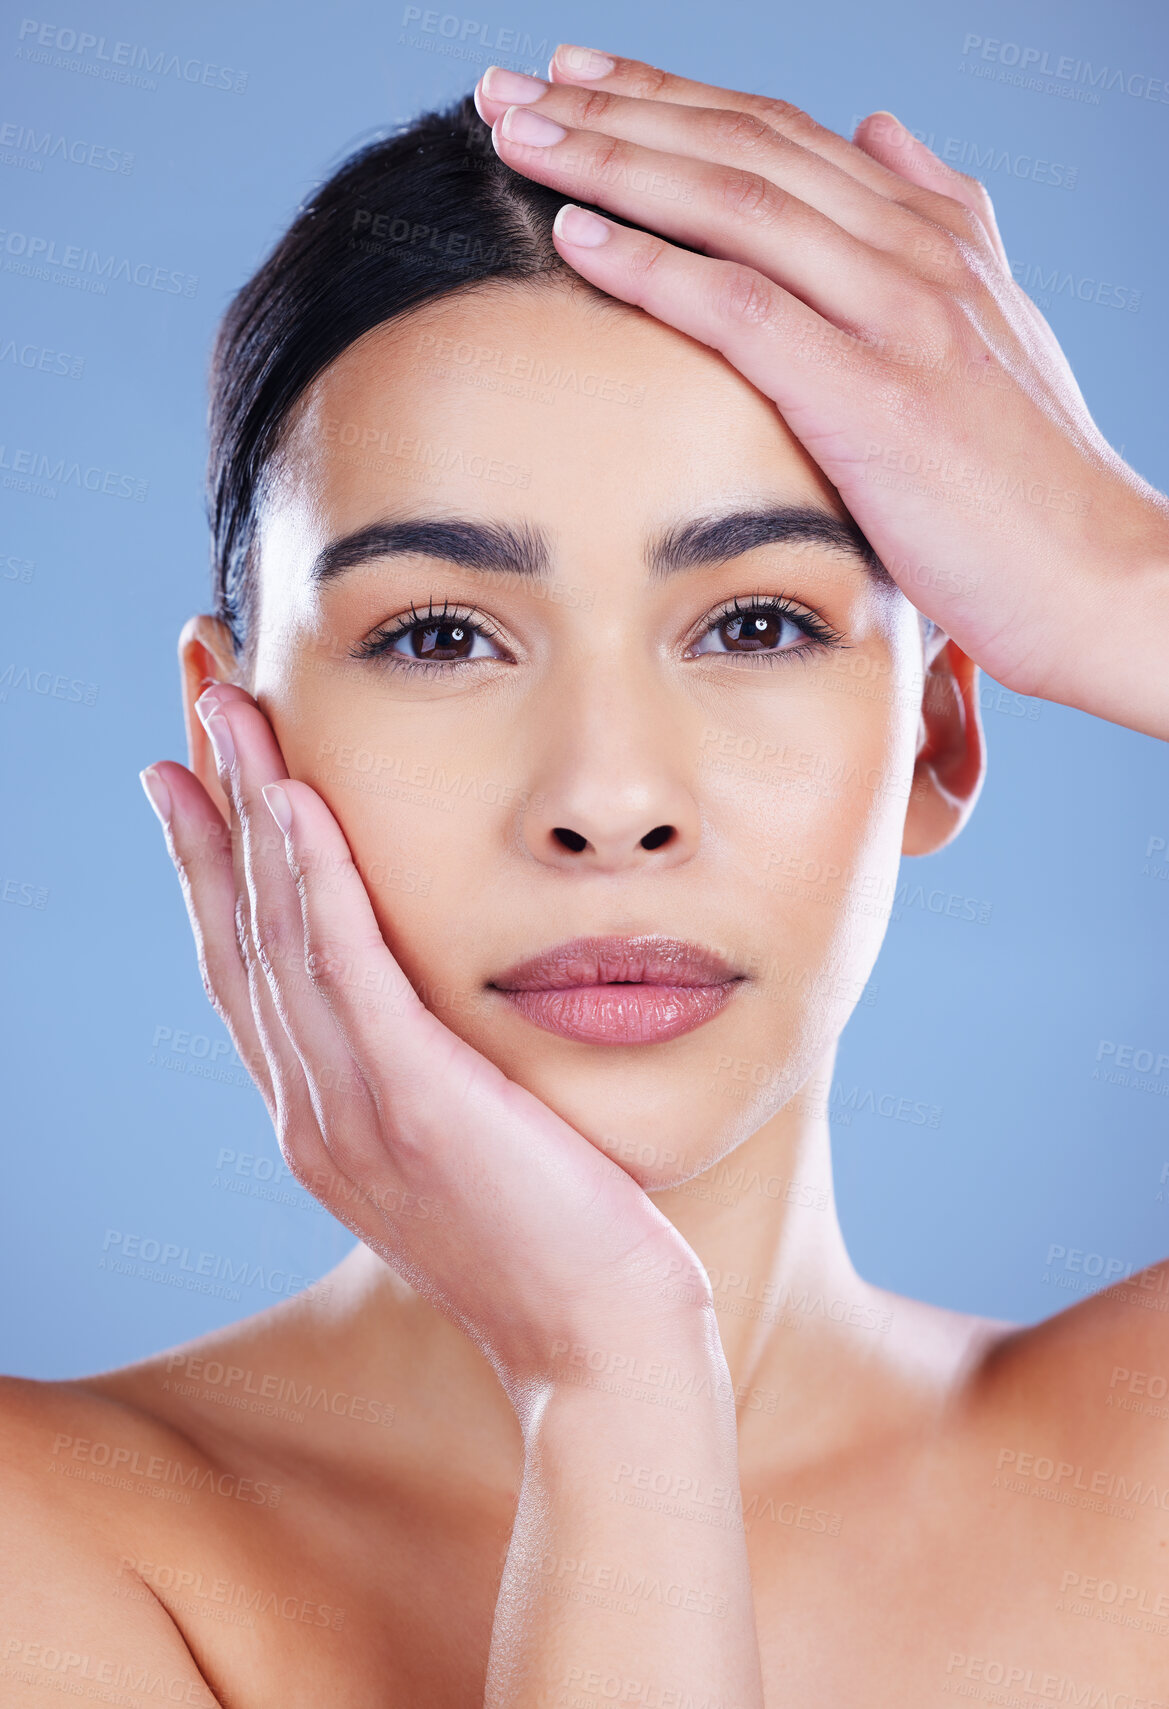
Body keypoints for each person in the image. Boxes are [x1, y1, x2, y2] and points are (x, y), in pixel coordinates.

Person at [3, 43, 1167, 1709]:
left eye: (756, 621)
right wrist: (609, 1383)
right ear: (232, 730)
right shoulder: (52, 1543)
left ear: (937, 734)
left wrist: (1125, 574)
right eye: (439, 633)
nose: (607, 799)